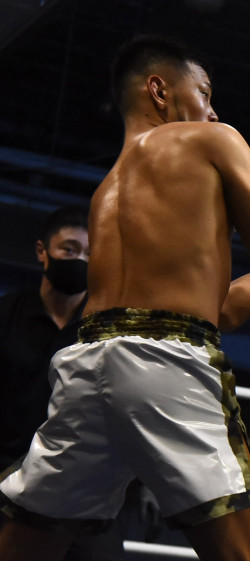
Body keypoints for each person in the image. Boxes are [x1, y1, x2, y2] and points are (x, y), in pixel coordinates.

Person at [0, 35, 250, 561]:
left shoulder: (105, 194)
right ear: (159, 91)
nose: (214, 111)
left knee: (26, 550)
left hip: (84, 368)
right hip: (169, 364)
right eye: (204, 92)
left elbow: (217, 309)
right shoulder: (214, 142)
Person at [0, 206, 127, 561]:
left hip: (82, 482)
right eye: (69, 250)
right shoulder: (6, 315)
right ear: (43, 251)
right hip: (7, 474)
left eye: (89, 253)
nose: (80, 260)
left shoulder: (108, 329)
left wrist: (145, 481)